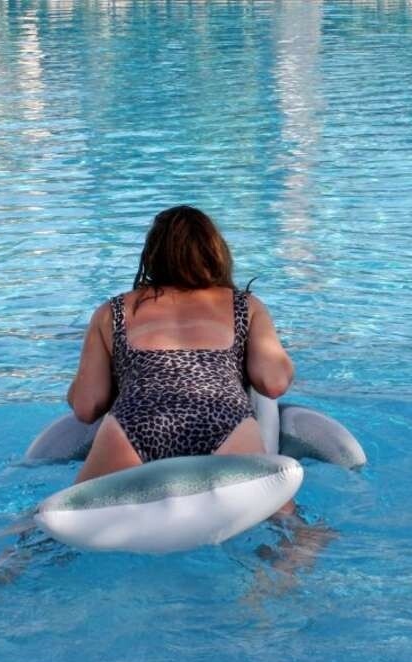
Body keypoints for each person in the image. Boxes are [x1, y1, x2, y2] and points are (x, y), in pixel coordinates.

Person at [65, 206, 296, 516]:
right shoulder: (245, 306)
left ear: (152, 255)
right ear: (217, 252)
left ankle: (15, 548)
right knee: (287, 522)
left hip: (137, 422)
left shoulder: (114, 311)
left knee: (61, 520)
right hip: (222, 418)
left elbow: (86, 407)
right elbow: (273, 383)